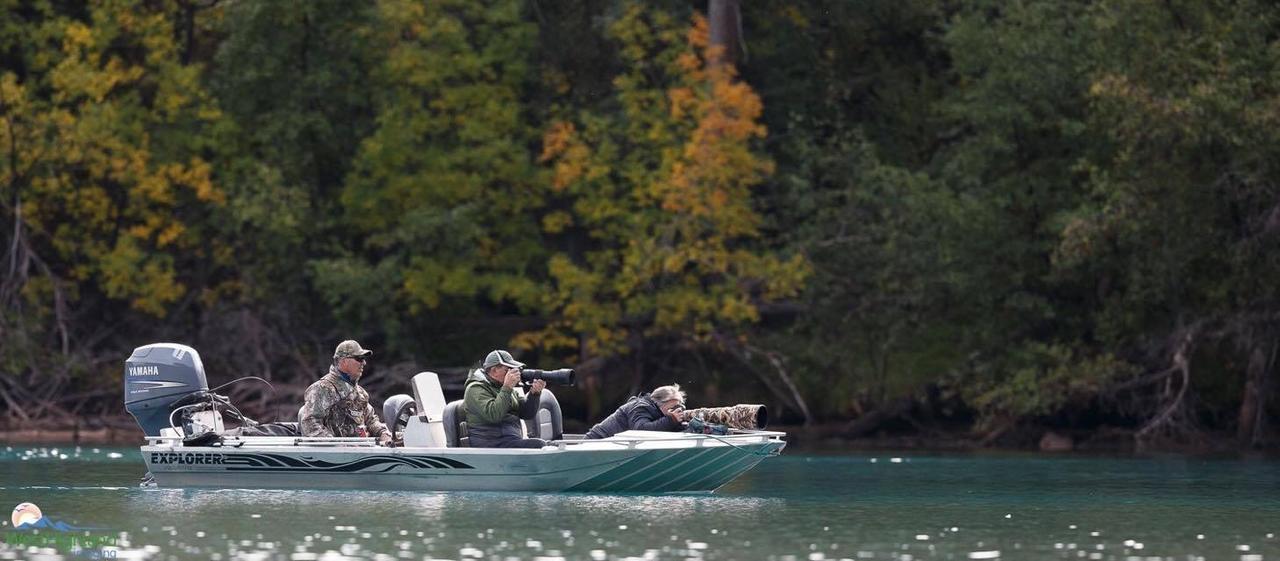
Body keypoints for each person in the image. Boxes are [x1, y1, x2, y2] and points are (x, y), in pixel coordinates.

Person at [299, 340, 391, 445]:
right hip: (335, 458)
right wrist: (339, 446)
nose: (364, 363)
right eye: (359, 359)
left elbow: (371, 420)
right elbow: (310, 423)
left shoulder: (361, 393)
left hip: (361, 454)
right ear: (344, 361)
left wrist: (383, 434)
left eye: (363, 359)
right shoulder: (322, 388)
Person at [463, 349, 547, 448]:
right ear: (494, 371)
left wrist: (534, 394)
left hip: (507, 441)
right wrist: (507, 387)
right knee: (538, 445)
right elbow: (494, 415)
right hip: (490, 444)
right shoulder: (475, 389)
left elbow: (527, 414)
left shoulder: (504, 387)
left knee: (544, 445)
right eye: (508, 370)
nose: (514, 373)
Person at [584, 384, 686, 439]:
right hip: (597, 442)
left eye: (680, 405)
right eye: (674, 405)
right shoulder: (641, 407)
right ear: (660, 402)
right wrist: (671, 419)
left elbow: (667, 429)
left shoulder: (661, 414)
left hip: (615, 446)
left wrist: (688, 424)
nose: (677, 409)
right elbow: (640, 430)